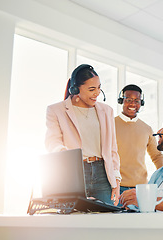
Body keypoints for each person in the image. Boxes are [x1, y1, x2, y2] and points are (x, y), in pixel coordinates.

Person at [45, 64, 121, 206]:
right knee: (74, 222)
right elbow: (52, 143)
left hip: (103, 174)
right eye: (92, 89)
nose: (97, 93)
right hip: (75, 173)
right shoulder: (56, 110)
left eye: (99, 87)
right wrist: (68, 160)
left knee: (106, 222)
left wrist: (116, 180)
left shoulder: (107, 111)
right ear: (75, 89)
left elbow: (112, 149)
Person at [115, 84, 163, 195]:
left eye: (137, 101)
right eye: (129, 100)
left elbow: (157, 156)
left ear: (141, 103)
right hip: (115, 186)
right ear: (121, 101)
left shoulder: (147, 129)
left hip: (140, 188)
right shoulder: (110, 125)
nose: (133, 104)